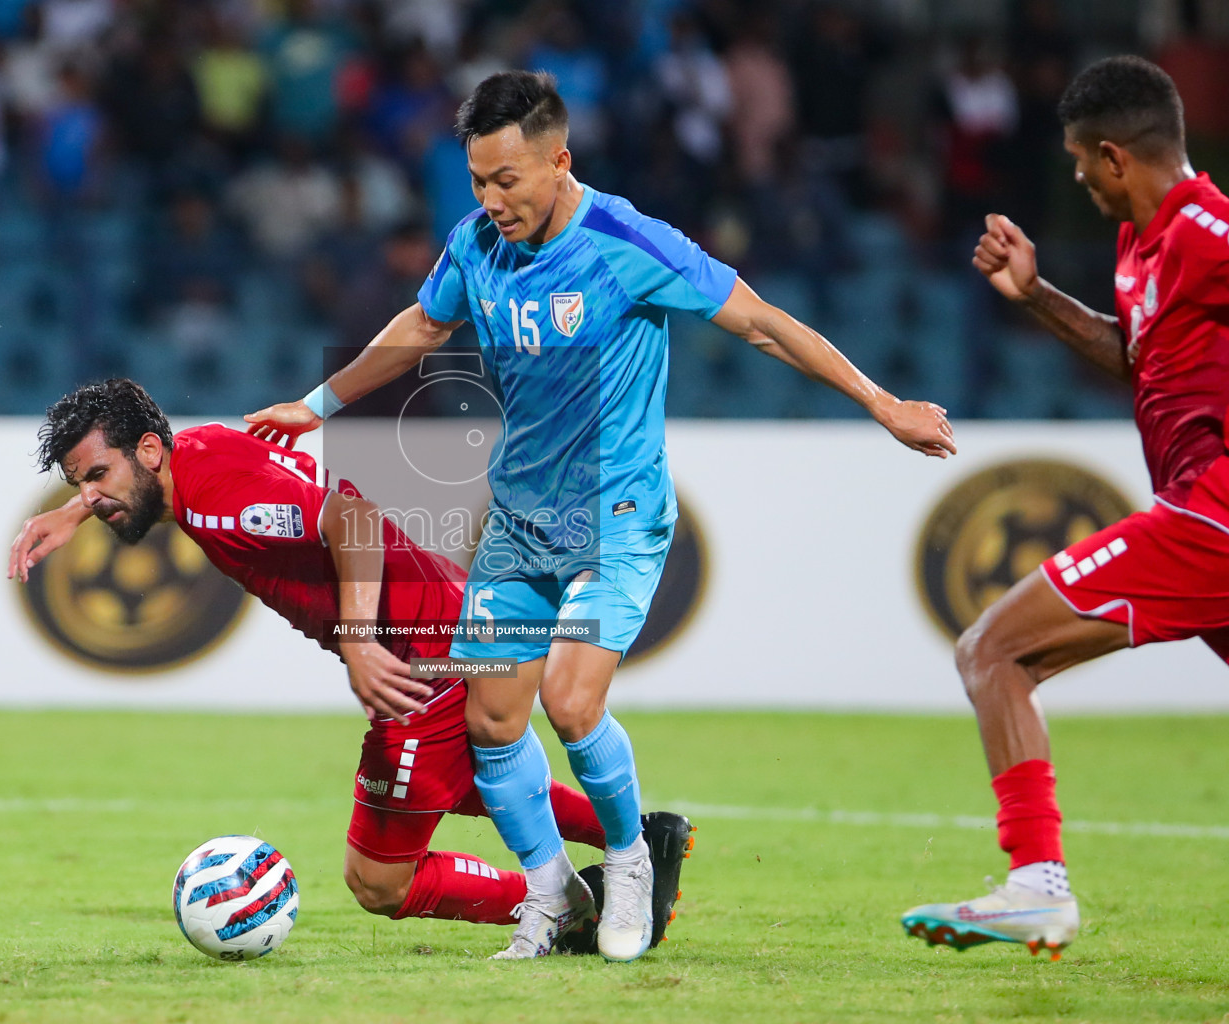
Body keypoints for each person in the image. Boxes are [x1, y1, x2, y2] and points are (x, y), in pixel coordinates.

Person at [243, 71, 956, 961]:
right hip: (519, 525)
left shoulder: (626, 240)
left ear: (558, 161)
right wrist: (315, 405)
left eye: (509, 180)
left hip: (614, 517)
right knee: (492, 720)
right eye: (478, 181)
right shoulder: (473, 247)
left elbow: (764, 324)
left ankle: (627, 861)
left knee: (569, 700)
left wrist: (882, 404)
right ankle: (550, 894)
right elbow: (420, 331)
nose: (492, 200)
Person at [6, 378, 694, 949]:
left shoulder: (220, 502)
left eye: (98, 476)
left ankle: (584, 906)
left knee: (379, 881)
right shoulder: (201, 451)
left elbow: (352, 521)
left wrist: (360, 640)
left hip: (417, 657)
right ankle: (635, 836)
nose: (92, 494)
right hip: (447, 625)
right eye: (80, 482)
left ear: (149, 449)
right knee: (453, 784)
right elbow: (161, 496)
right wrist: (79, 511)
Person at [901, 56, 1229, 960]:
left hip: (1213, 517)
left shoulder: (1208, 231)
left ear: (1117, 155)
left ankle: (1035, 885)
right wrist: (1037, 296)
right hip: (1200, 513)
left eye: (1084, 162)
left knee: (992, 650)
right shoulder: (1141, 244)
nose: (1077, 178)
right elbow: (1141, 357)